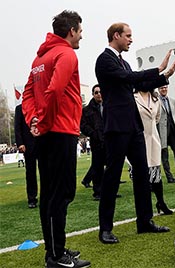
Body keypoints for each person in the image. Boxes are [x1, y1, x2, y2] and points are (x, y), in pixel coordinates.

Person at [95, 22, 175, 244]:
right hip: (116, 127)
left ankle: (145, 221)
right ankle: (105, 229)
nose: (131, 40)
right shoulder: (105, 60)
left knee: (142, 173)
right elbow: (129, 79)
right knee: (112, 177)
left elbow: (139, 83)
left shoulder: (123, 62)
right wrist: (158, 68)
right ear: (116, 36)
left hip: (133, 126)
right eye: (128, 36)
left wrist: (165, 75)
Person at [22, 10, 90, 268]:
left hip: (47, 132)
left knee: (50, 193)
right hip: (60, 132)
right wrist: (43, 121)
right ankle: (56, 256)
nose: (82, 36)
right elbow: (55, 90)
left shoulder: (39, 59)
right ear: (71, 30)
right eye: (80, 31)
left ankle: (54, 249)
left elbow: (28, 94)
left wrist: (33, 121)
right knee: (61, 193)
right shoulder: (66, 54)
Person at [134, 89, 173, 215]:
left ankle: (161, 202)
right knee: (141, 176)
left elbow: (157, 118)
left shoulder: (156, 99)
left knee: (156, 174)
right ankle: (144, 209)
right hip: (138, 139)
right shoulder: (133, 97)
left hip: (153, 138)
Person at [80, 84, 105, 201]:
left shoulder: (109, 105)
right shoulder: (86, 110)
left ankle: (110, 191)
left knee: (111, 168)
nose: (99, 94)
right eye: (96, 92)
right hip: (96, 142)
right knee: (97, 168)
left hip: (110, 141)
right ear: (93, 94)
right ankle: (98, 192)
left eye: (100, 91)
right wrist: (93, 133)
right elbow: (83, 125)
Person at [14, 103, 38, 208]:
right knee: (30, 172)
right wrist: (20, 143)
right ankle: (32, 198)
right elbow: (17, 127)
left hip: (42, 142)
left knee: (47, 171)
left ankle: (48, 196)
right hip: (28, 145)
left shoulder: (41, 105)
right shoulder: (20, 108)